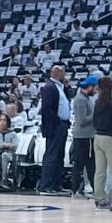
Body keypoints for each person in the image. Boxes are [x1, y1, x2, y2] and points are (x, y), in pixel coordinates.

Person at [91, 74, 112, 210]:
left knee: (100, 172)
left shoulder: (98, 102)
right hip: (111, 138)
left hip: (98, 137)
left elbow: (94, 121)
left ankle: (99, 200)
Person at [37, 64, 71, 193]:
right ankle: (45, 185)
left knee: (59, 156)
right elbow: (46, 108)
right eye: (63, 73)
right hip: (55, 126)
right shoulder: (49, 87)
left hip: (63, 125)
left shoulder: (60, 87)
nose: (65, 75)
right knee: (51, 155)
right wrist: (57, 121)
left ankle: (56, 184)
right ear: (56, 73)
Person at [69, 77, 97, 198]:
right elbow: (82, 120)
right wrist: (96, 115)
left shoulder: (87, 98)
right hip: (83, 137)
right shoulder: (80, 99)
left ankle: (95, 190)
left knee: (91, 165)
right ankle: (75, 190)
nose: (96, 90)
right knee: (79, 164)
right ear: (90, 87)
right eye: (95, 88)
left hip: (88, 136)